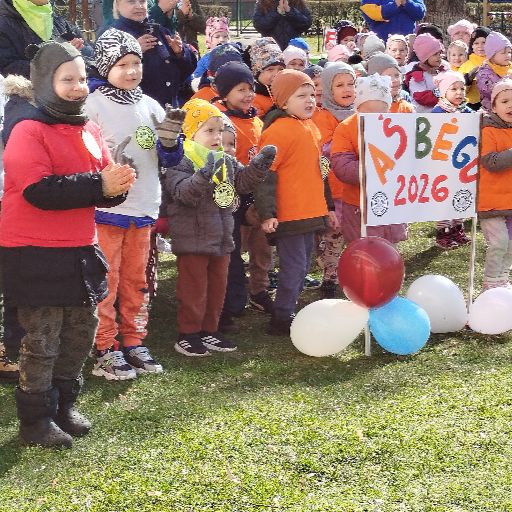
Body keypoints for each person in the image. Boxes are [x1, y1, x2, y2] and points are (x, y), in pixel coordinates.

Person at [0, 41, 136, 447]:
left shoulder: (88, 128)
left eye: (82, 78)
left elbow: (100, 186)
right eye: (67, 79)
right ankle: (35, 421)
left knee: (80, 331)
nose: (78, 87)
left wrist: (117, 187)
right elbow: (38, 190)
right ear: (45, 81)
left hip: (79, 247)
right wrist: (99, 184)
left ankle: (63, 406)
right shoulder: (27, 128)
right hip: (31, 251)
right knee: (42, 339)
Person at [85, 28, 184, 381]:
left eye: (136, 63)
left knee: (136, 281)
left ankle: (134, 340)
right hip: (107, 211)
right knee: (106, 281)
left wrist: (170, 144)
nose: (131, 71)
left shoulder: (151, 105)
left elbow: (169, 161)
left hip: (144, 207)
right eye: (122, 64)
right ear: (105, 67)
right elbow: (84, 157)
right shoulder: (93, 105)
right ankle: (105, 346)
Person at [161, 99, 275, 356]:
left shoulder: (225, 161)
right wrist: (204, 174)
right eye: (209, 130)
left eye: (220, 130)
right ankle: (189, 333)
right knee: (193, 289)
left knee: (217, 288)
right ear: (191, 133)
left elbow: (242, 183)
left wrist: (259, 167)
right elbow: (183, 193)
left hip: (222, 238)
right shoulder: (180, 161)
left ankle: (209, 329)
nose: (217, 137)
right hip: (193, 240)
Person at [254, 70, 339, 335]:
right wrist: (267, 213)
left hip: (311, 213)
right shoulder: (278, 132)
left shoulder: (310, 127)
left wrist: (329, 207)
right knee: (293, 267)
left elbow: (320, 173)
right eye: (301, 95)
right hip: (289, 214)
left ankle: (289, 308)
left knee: (302, 267)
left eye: (312, 94)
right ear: (283, 101)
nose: (310, 100)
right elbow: (265, 175)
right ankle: (282, 317)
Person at [212, 62, 275, 328]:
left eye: (250, 88)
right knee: (233, 251)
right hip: (230, 196)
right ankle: (230, 299)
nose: (248, 94)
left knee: (262, 248)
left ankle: (259, 290)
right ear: (225, 93)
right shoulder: (218, 121)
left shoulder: (258, 121)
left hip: (258, 196)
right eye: (240, 90)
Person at [330, 74, 407, 246]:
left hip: (390, 200)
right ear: (358, 108)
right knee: (364, 248)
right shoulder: (346, 128)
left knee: (389, 247)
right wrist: (375, 168)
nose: (376, 118)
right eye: (369, 112)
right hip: (359, 205)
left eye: (382, 112)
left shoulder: (397, 127)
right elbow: (342, 167)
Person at [313, 62, 357, 298]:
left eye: (351, 84)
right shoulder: (322, 116)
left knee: (354, 233)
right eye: (339, 85)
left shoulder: (361, 113)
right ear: (329, 90)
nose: (346, 89)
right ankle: (330, 275)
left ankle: (354, 272)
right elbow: (325, 149)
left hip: (356, 187)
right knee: (334, 234)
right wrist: (347, 141)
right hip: (334, 188)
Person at [106, 0, 196, 107]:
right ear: (117, 5)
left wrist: (180, 53)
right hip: (134, 109)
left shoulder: (159, 30)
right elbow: (103, 76)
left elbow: (186, 71)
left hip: (169, 109)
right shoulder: (111, 36)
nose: (139, 6)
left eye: (142, 1)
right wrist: (131, 51)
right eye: (131, 1)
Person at [431, 71, 473, 249]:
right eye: (453, 89)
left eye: (462, 89)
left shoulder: (466, 110)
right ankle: (443, 232)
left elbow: (476, 122)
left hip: (462, 162)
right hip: (443, 161)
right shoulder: (437, 112)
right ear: (443, 92)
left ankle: (458, 228)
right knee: (445, 197)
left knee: (460, 193)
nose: (459, 92)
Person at [0, 0, 93, 78]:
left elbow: (91, 53)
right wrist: (54, 60)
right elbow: (5, 68)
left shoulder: (57, 20)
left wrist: (76, 52)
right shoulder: (4, 23)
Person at [478, 79, 512, 290]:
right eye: (505, 101)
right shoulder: (488, 128)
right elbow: (490, 162)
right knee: (499, 243)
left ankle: (503, 280)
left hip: (510, 200)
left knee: (511, 245)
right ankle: (490, 283)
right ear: (494, 106)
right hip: (491, 201)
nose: (510, 106)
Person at [404, 32, 449, 113]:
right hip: (424, 115)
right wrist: (445, 93)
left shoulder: (444, 70)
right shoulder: (417, 75)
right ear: (425, 57)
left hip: (443, 114)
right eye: (435, 54)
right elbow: (421, 97)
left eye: (440, 53)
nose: (439, 57)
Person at [248, 37, 285, 117]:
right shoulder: (252, 99)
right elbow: (259, 122)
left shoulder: (286, 92)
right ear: (257, 73)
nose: (276, 74)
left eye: (281, 69)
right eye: (270, 69)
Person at [477, 31, 512, 112]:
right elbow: (488, 90)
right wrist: (507, 80)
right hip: (492, 110)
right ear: (492, 56)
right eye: (503, 53)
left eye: (509, 52)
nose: (508, 55)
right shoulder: (484, 72)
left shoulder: (510, 68)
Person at [360, 0, 426, 43]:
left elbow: (420, 14)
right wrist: (395, 5)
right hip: (382, 44)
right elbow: (368, 13)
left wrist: (406, 2)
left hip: (407, 44)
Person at [458, 26, 491, 111]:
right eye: (476, 43)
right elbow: (458, 91)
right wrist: (467, 80)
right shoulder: (465, 66)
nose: (480, 46)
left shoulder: (497, 61)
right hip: (473, 107)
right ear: (471, 46)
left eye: (484, 42)